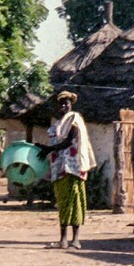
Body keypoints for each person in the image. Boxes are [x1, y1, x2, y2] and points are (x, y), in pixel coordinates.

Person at [36, 91, 96, 250]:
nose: (63, 105)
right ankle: (63, 240)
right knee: (62, 202)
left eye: (66, 103)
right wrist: (45, 149)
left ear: (71, 104)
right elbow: (57, 143)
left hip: (73, 167)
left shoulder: (74, 119)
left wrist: (49, 149)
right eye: (61, 103)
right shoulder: (57, 124)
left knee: (75, 201)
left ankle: (76, 240)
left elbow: (70, 141)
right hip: (59, 166)